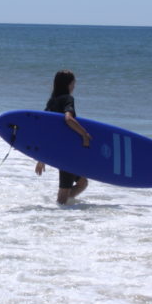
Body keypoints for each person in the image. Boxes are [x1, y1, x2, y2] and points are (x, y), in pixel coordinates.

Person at [34, 69, 92, 204]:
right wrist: (84, 134)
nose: (74, 86)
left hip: (57, 149)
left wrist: (41, 157)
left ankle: (60, 209)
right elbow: (68, 119)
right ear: (68, 84)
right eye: (73, 83)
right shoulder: (68, 99)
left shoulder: (52, 102)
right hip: (67, 152)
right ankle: (60, 207)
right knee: (65, 188)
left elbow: (46, 129)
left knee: (82, 182)